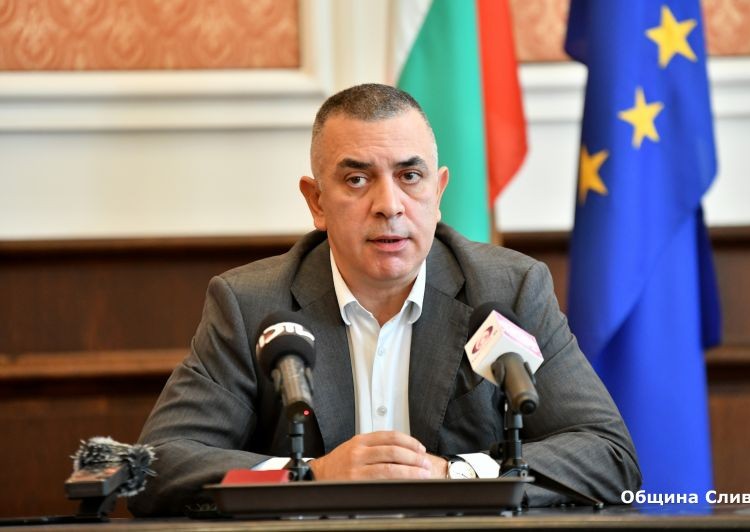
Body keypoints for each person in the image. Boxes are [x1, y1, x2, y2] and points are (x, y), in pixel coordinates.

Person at [129, 84, 641, 516]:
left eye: (410, 177)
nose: (389, 205)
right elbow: (157, 465)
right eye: (357, 180)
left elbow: (608, 454)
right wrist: (310, 476)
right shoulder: (250, 303)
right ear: (316, 201)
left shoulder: (509, 288)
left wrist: (454, 476)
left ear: (438, 193)